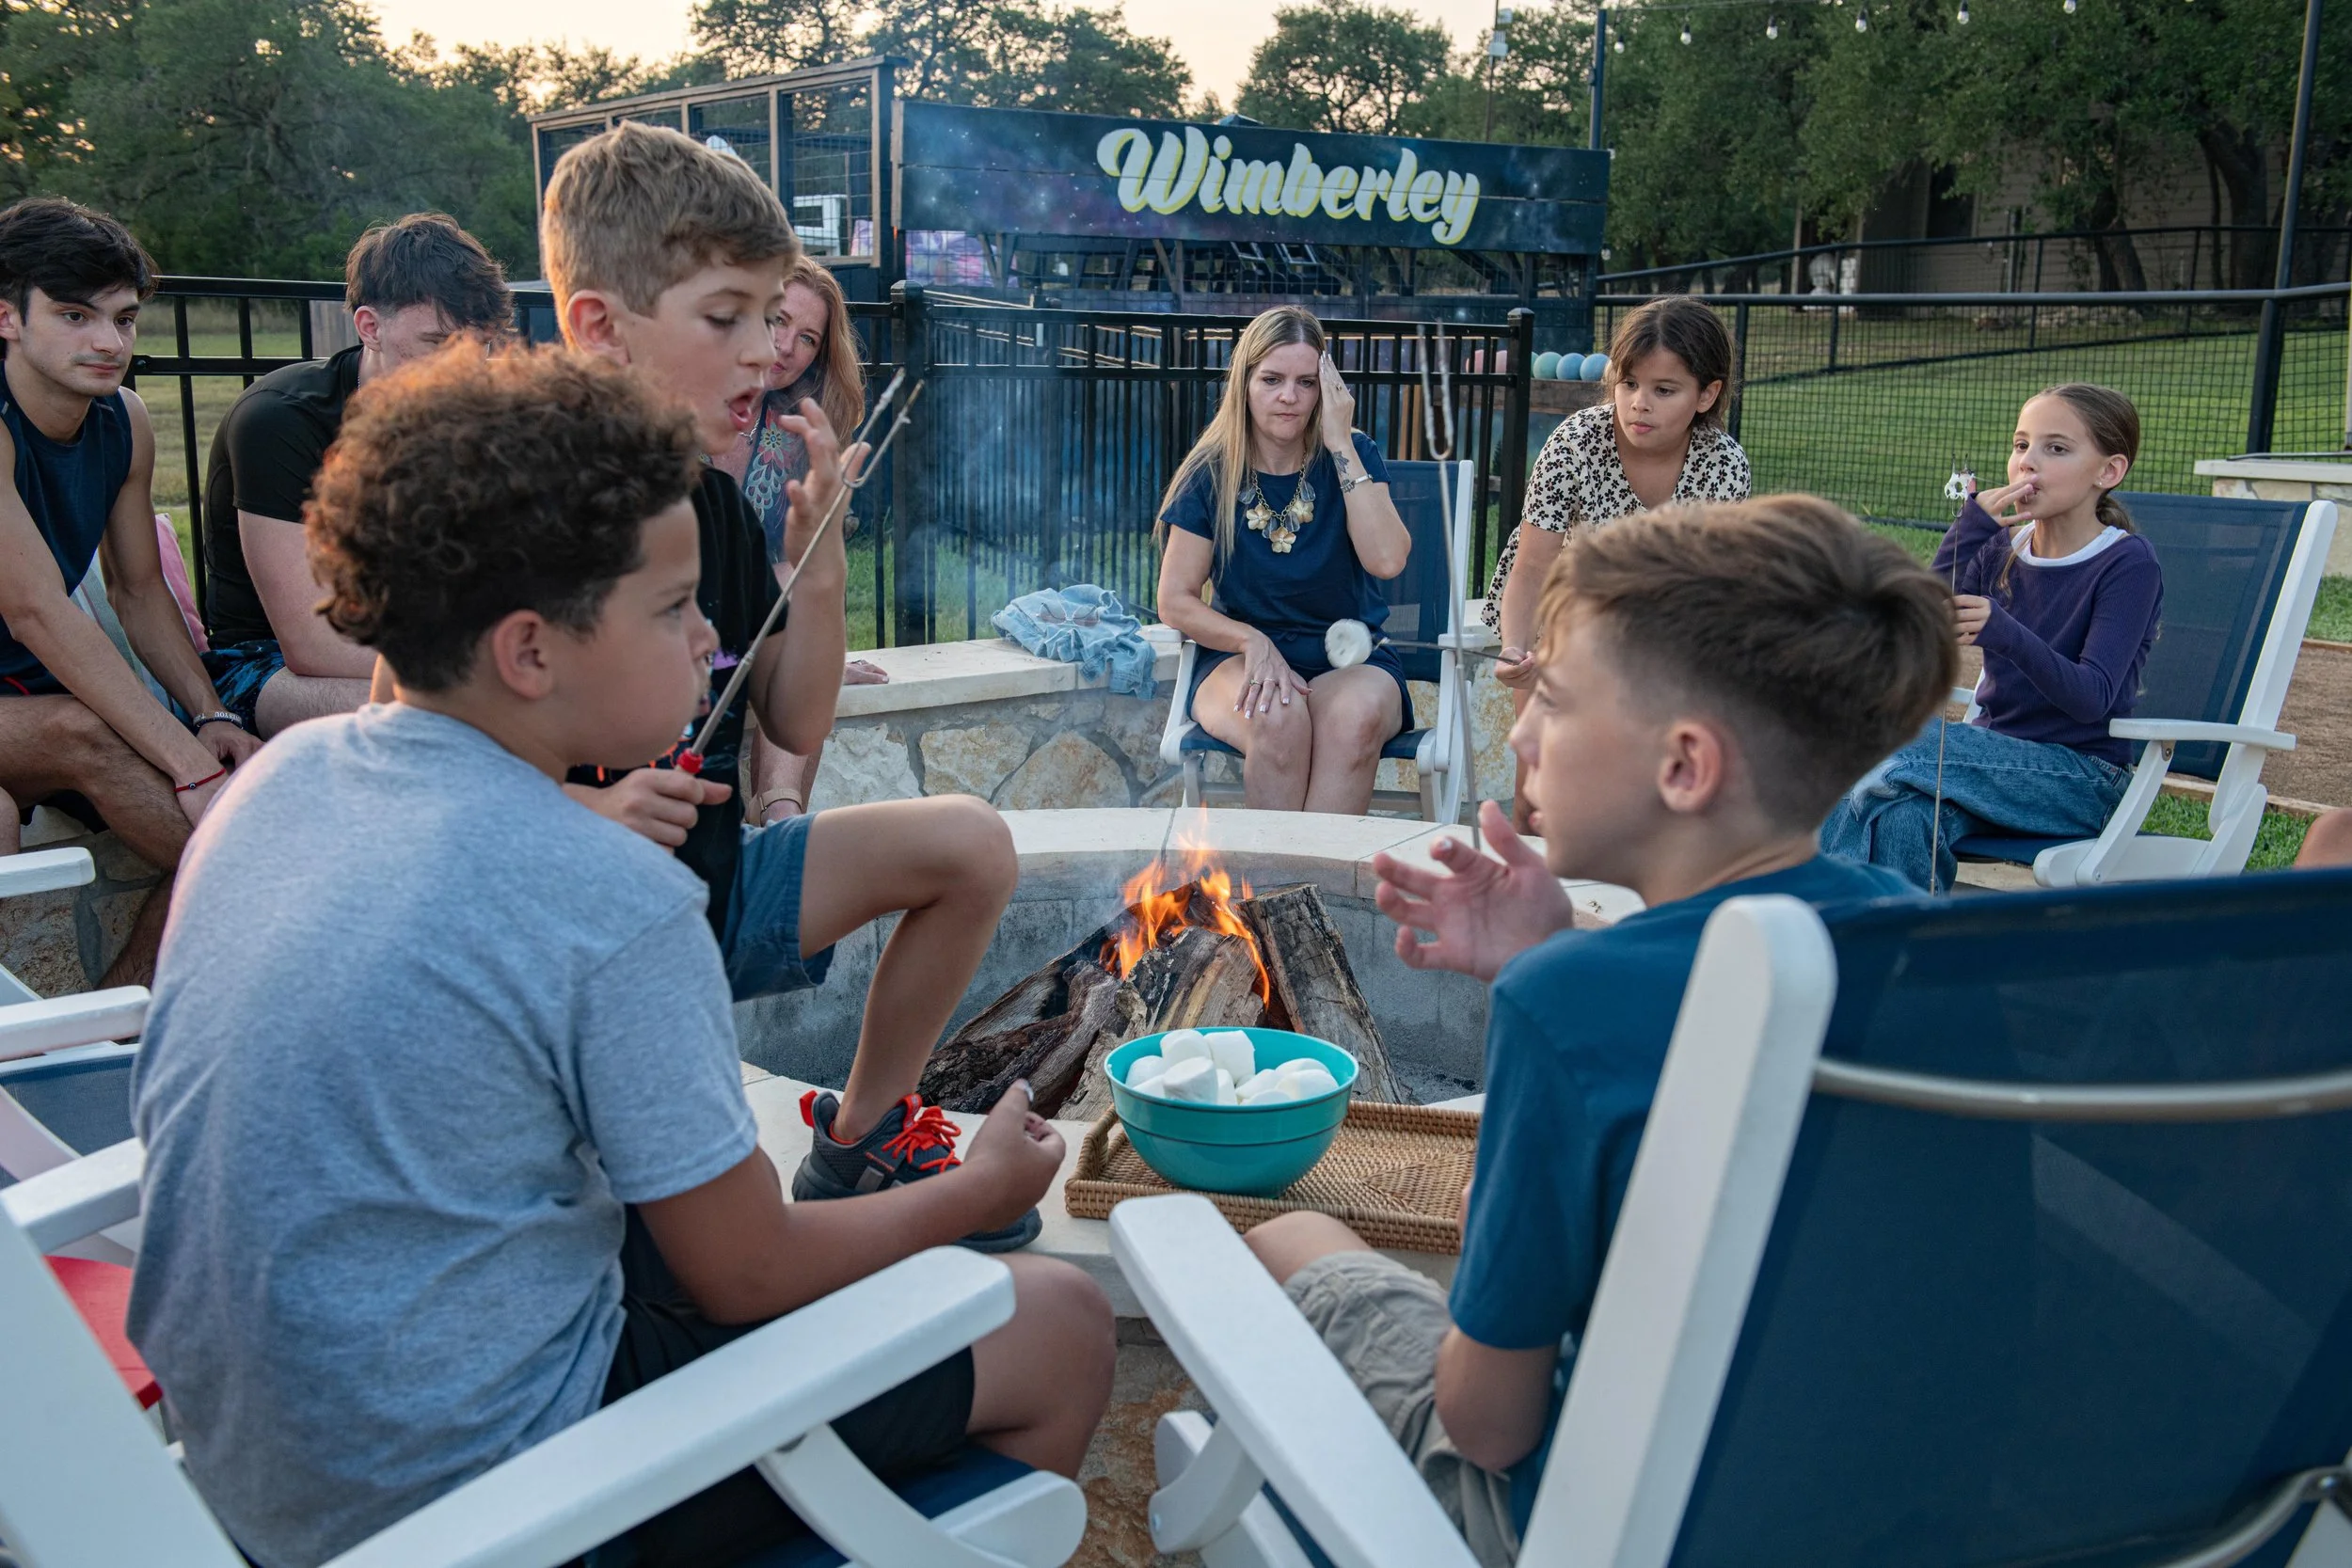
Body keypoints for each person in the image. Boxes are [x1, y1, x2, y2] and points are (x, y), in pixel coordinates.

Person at [126, 346, 1113, 1568]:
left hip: (254, 1480)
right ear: (531, 650)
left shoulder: (273, 785)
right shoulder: (609, 893)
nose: (708, 639)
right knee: (1061, 1323)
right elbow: (748, 1272)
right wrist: (974, 1191)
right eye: (672, 607)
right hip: (494, 1496)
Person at [1243, 495, 1950, 1567]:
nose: (1519, 730)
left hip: (1602, 1521)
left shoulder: (1574, 1007)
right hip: (1872, 1502)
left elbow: (1488, 1422)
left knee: (1278, 1240)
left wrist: (1546, 1014)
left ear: (1683, 766)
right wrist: (1552, 942)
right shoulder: (1938, 950)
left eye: (1555, 699)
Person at [535, 122, 1033, 1248]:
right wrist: (586, 814)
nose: (766, 350)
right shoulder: (511, 506)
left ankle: (858, 1139)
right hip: (597, 946)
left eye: (772, 319)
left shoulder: (708, 500)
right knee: (719, 1246)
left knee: (970, 844)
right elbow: (405, 772)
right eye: (728, 318)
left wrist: (818, 564)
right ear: (599, 329)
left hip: (712, 889)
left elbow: (795, 717)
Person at [0, 198, 259, 984]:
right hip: (36, 698)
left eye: (124, 318)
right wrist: (190, 763)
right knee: (95, 737)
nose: (109, 342)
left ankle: (118, 1029)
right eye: (75, 316)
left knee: (227, 790)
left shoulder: (126, 423)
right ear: (6, 316)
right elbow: (35, 609)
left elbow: (139, 592)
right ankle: (296, 893)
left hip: (22, 696)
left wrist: (208, 715)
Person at [1821, 384, 2163, 892]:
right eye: (2021, 444)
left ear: (2108, 472)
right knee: (1902, 817)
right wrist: (1968, 528)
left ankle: (1817, 917)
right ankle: (1904, 956)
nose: (2027, 462)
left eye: (2056, 448)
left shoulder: (2126, 563)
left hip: (2080, 778)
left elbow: (2092, 699)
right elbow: (1913, 620)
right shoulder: (2000, 546)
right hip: (1983, 758)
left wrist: (2004, 633)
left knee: (1891, 743)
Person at [200, 213, 511, 736]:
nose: (465, 367)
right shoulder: (280, 420)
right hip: (264, 663)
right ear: (370, 327)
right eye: (438, 343)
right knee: (449, 723)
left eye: (479, 344)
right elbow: (311, 642)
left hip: (418, 648)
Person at [1484, 298, 1750, 825]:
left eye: (1664, 390)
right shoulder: (1576, 442)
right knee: (1541, 790)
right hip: (1556, 618)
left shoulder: (1724, 467)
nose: (1639, 404)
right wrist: (1515, 648)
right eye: (1628, 384)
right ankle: (1528, 892)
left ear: (1708, 394)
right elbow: (1533, 567)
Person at [1154, 305, 1411, 813]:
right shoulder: (1211, 471)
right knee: (1276, 715)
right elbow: (1175, 601)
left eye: (1306, 382)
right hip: (1238, 658)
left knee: (1352, 722)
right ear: (1244, 383)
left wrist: (1339, 441)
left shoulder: (1352, 453)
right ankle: (1275, 890)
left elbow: (1387, 561)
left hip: (1352, 657)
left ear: (1327, 389)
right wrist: (1252, 640)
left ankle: (1321, 893)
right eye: (1272, 379)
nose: (1289, 397)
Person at [713, 254, 887, 824]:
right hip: (679, 622)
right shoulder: (685, 403)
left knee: (788, 628)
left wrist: (819, 648)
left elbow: (798, 564)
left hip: (752, 624)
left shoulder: (790, 434)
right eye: (779, 320)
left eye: (808, 337)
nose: (787, 346)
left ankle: (782, 811)